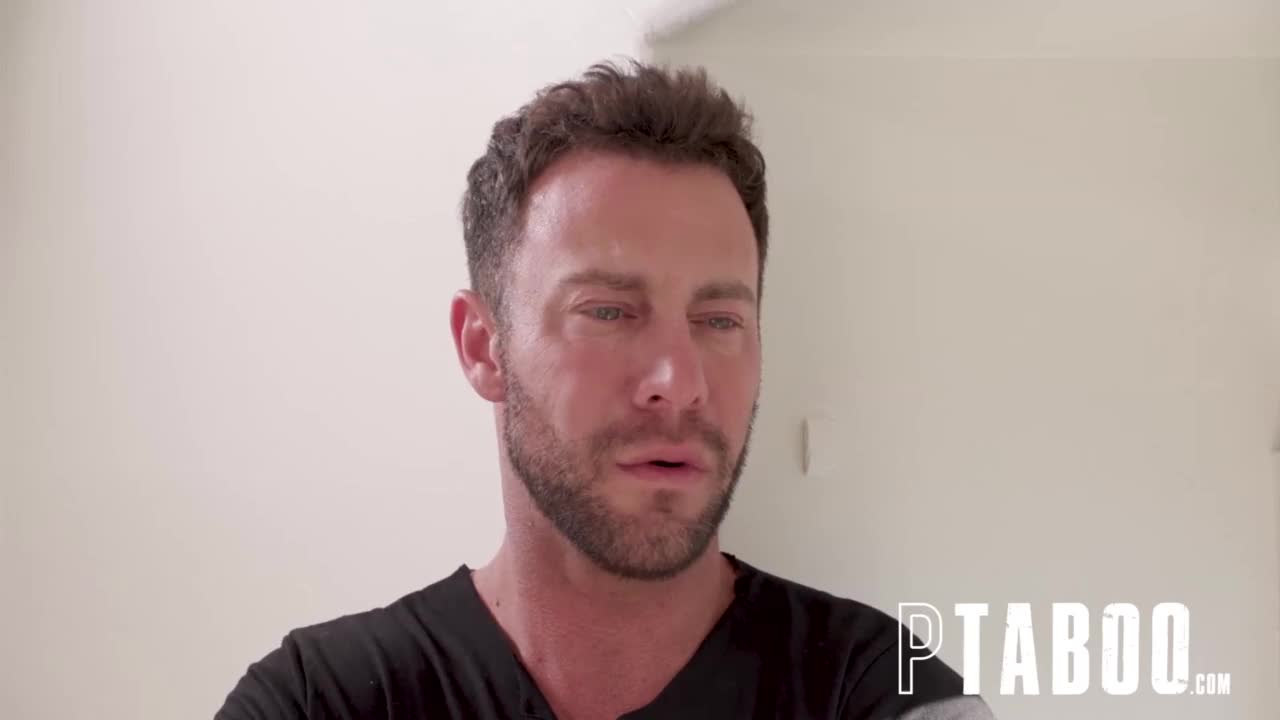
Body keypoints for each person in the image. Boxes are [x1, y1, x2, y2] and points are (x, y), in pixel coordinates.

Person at [216, 58, 995, 720]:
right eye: (609, 312)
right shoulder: (319, 701)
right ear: (483, 346)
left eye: (719, 320)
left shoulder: (879, 691)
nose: (680, 384)